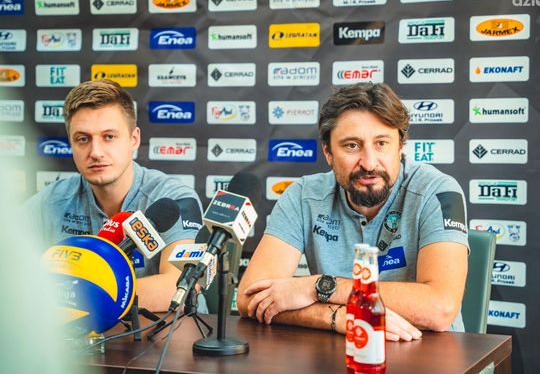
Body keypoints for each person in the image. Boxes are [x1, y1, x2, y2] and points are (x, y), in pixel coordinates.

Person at [237, 82, 469, 341]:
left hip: (428, 352)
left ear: (401, 146)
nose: (369, 163)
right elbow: (250, 298)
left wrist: (319, 287)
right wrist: (338, 316)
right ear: (328, 152)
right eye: (352, 146)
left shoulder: (437, 191)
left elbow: (440, 308)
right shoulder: (303, 196)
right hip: (336, 352)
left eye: (381, 143)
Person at [24, 79, 204, 312]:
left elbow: (180, 286)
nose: (96, 152)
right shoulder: (52, 202)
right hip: (82, 332)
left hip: (168, 331)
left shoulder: (174, 198)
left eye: (109, 137)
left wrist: (79, 295)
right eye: (83, 139)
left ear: (134, 139)